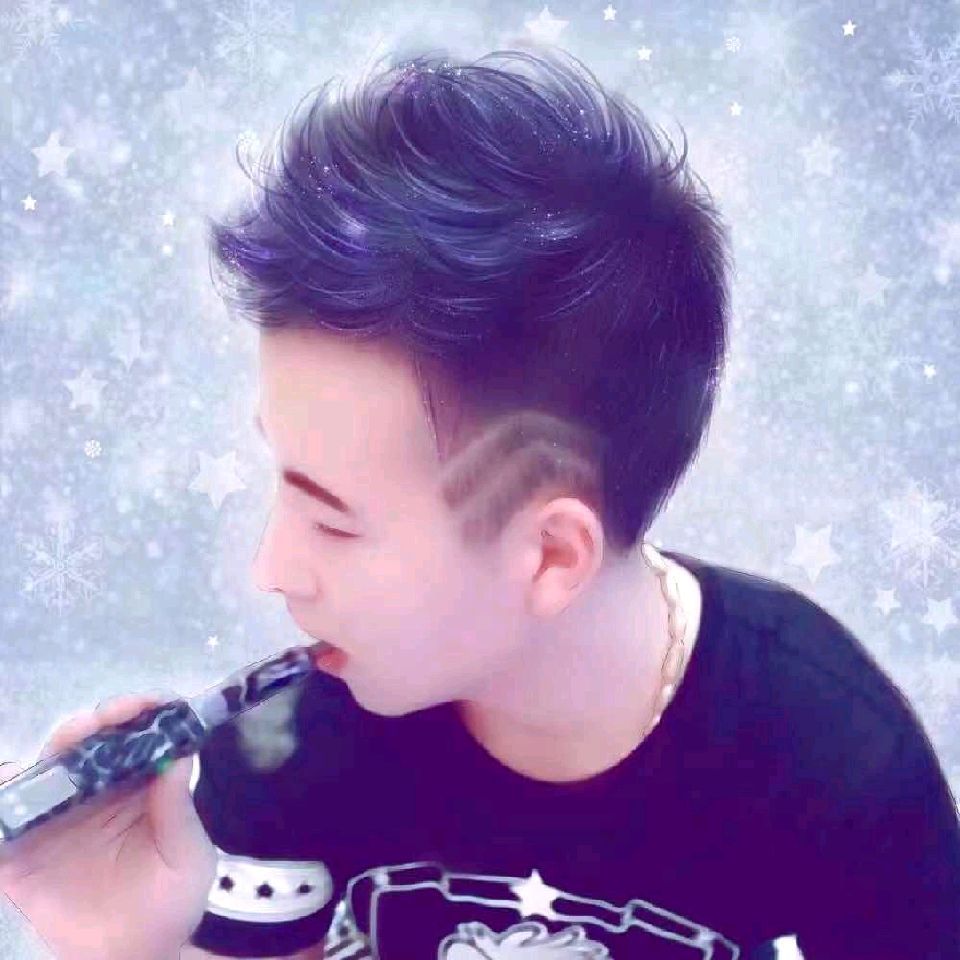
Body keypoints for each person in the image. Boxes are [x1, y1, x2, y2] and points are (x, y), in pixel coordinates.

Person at [3, 45, 958, 960]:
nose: (270, 569)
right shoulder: (291, 735)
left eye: (334, 520)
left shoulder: (833, 766)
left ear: (550, 555)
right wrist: (128, 944)